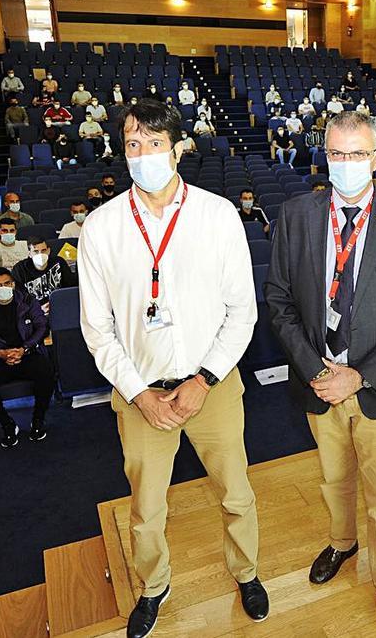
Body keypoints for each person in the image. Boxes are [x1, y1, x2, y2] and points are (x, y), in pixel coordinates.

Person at [78, 99, 266, 637]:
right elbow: (97, 329)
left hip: (212, 388)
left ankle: (247, 573)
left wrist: (203, 379)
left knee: (235, 492)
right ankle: (153, 586)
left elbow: (241, 311)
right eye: (133, 144)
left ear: (178, 147)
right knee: (146, 508)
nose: (145, 154)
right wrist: (139, 393)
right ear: (123, 150)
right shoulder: (102, 227)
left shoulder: (217, 214)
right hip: (142, 396)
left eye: (155, 143)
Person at [265, 110, 376, 637]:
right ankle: (342, 543)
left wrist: (358, 376)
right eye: (337, 154)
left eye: (357, 154)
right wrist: (319, 369)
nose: (346, 163)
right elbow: (279, 300)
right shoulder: (296, 215)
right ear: (325, 156)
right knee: (334, 480)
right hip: (319, 385)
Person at [0, 268, 53, 447]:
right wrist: (0, 353)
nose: (3, 288)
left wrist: (24, 348)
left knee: (47, 372)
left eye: (7, 284)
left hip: (26, 354)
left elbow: (42, 326)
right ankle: (7, 424)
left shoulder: (28, 301)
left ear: (13, 284)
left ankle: (38, 420)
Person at [11, 237, 75, 310]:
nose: (40, 254)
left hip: (60, 306)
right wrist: (38, 309)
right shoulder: (20, 269)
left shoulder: (59, 262)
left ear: (48, 251)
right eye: (36, 251)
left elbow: (70, 286)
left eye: (43, 250)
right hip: (34, 311)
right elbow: (19, 299)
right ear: (29, 254)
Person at [0, 218, 31, 283]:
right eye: (5, 231)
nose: (8, 233)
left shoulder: (26, 245)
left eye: (12, 230)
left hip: (24, 283)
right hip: (0, 285)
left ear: (16, 232)